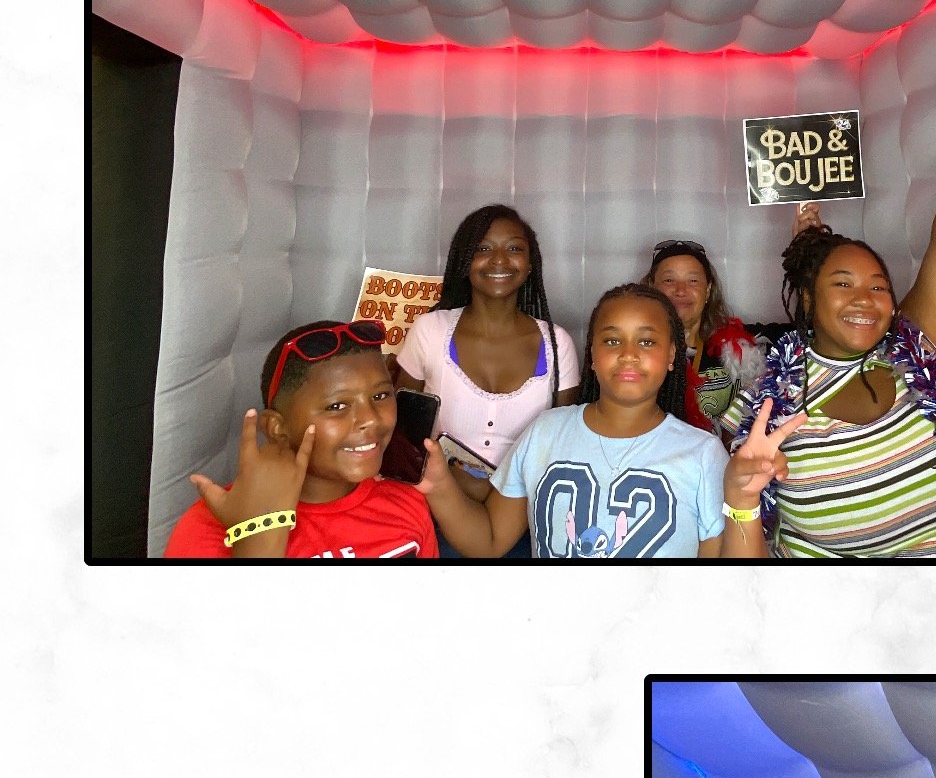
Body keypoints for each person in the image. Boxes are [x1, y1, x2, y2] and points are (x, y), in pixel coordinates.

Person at [730, 73, 936, 560]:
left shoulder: (919, 353)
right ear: (808, 299)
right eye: (842, 284)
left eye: (878, 286)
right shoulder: (766, 405)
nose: (865, 299)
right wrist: (742, 499)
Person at [417, 283, 805, 560]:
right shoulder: (546, 432)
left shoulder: (702, 453)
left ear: (672, 355)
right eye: (612, 340)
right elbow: (488, 540)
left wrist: (743, 501)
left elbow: (730, 584)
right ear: (592, 354)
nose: (629, 354)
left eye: (647, 341)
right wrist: (439, 486)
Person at [164, 321, 437, 559]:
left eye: (380, 396)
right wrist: (258, 531)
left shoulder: (406, 500)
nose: (372, 419)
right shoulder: (209, 525)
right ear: (276, 429)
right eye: (337, 406)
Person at [394, 206, 579, 557]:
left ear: (530, 263)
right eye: (483, 248)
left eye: (514, 248)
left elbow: (561, 446)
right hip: (434, 513)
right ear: (464, 261)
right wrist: (456, 482)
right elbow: (402, 434)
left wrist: (498, 495)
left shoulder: (558, 344)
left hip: (523, 521)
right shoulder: (430, 330)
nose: (499, 260)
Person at [645, 239, 764, 439]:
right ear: (652, 287)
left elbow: (809, 329)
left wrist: (807, 243)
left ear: (708, 290)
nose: (681, 290)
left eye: (693, 281)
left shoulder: (739, 344)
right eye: (669, 280)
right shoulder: (634, 351)